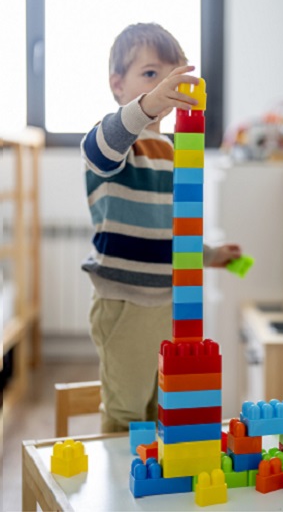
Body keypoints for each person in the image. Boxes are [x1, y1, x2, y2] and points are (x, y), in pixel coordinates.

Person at [81, 23, 242, 432]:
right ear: (118, 84)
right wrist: (147, 105)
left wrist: (210, 255)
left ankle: (152, 479)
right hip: (126, 302)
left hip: (168, 300)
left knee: (161, 405)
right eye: (151, 74)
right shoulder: (116, 140)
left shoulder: (173, 150)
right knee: (126, 410)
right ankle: (118, 486)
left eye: (172, 76)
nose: (164, 87)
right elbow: (100, 148)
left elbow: (175, 226)